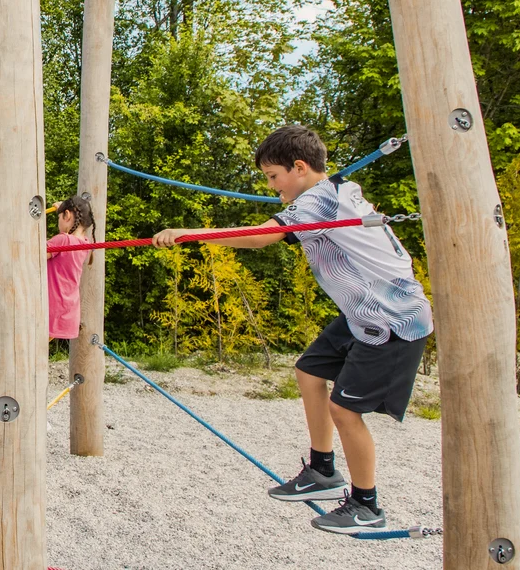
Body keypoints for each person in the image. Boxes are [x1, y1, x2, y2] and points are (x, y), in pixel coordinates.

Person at [151, 125, 433, 534]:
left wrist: (191, 234)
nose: (271, 186)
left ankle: (366, 505)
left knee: (344, 408)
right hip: (363, 313)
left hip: (392, 318)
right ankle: (322, 471)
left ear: (299, 168)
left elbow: (261, 237)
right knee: (309, 371)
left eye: (273, 176)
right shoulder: (335, 189)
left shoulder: (316, 201)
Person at [47, 195, 95, 342]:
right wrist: (63, 209)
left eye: (60, 218)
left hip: (51, 308)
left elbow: (30, 253)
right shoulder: (86, 244)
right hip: (68, 309)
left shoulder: (63, 240)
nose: (58, 224)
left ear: (67, 215)